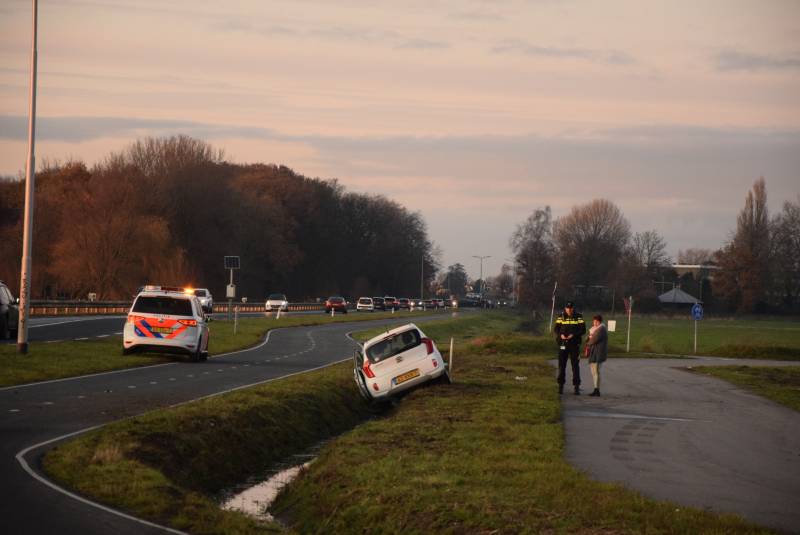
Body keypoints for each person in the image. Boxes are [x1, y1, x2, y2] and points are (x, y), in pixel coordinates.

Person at [554, 301, 585, 394]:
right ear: (565, 308)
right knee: (561, 366)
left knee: (575, 366)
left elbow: (583, 330)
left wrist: (574, 335)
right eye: (568, 308)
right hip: (563, 343)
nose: (569, 310)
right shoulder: (561, 316)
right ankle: (560, 386)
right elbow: (556, 329)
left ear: (573, 308)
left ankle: (576, 386)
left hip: (574, 344)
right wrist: (561, 335)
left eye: (571, 308)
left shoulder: (578, 316)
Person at [584, 314, 608, 396]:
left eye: (595, 321)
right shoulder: (595, 329)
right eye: (594, 321)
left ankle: (596, 390)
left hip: (598, 353)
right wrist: (589, 337)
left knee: (596, 371)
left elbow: (593, 340)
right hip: (594, 352)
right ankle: (596, 389)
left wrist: (588, 341)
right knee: (594, 371)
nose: (594, 323)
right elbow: (588, 338)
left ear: (599, 322)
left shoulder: (601, 329)